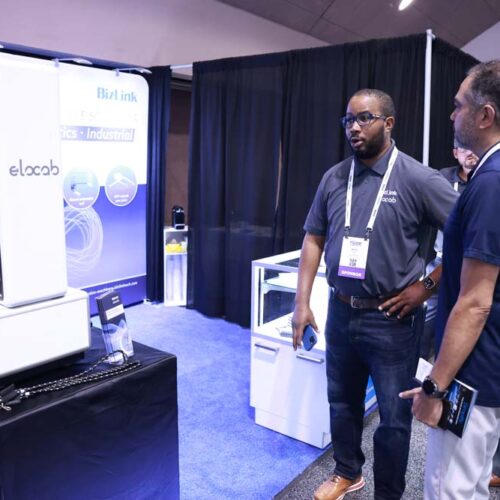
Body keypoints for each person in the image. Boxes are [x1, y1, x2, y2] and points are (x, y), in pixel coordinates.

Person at [292, 88, 458, 500]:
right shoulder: (334, 178)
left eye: (364, 118)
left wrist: (427, 286)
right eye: (348, 120)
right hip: (341, 311)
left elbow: (467, 237)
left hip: (392, 320)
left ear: (389, 123)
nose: (354, 127)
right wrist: (302, 303)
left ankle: (388, 493)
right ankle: (347, 471)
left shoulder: (419, 179)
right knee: (341, 401)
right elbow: (313, 238)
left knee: (394, 417)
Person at [400, 60, 500, 499]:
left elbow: (475, 302)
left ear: (485, 115)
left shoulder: (490, 183)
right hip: (485, 369)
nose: (452, 115)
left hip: (469, 376)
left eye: (459, 106)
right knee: (471, 485)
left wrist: (434, 387)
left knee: (449, 490)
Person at [420, 144, 478, 359]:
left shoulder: (488, 178)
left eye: (473, 147)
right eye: (464, 148)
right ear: (455, 152)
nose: (470, 152)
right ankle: (419, 369)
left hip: (476, 264)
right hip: (441, 263)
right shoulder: (441, 179)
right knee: (424, 322)